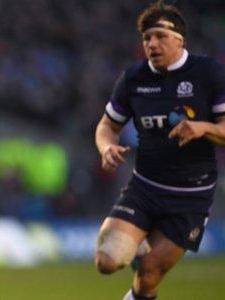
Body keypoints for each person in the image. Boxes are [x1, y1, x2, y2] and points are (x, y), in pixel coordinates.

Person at [94, 2, 225, 299]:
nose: (152, 43)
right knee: (106, 261)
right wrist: (106, 147)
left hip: (190, 197)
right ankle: (139, 244)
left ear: (180, 39)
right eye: (146, 38)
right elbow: (106, 125)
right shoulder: (134, 78)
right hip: (145, 187)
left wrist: (204, 128)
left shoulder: (209, 73)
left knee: (149, 274)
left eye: (160, 36)